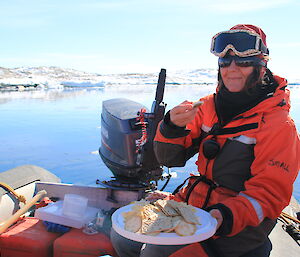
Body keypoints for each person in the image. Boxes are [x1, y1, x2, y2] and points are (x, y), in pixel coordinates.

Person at [110, 24, 300, 257]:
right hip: (198, 206)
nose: (232, 69)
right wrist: (171, 127)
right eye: (224, 62)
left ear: (262, 67)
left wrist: (225, 215)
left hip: (238, 226)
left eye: (243, 62)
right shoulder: (207, 106)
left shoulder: (279, 126)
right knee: (121, 237)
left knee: (155, 253)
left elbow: (269, 194)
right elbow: (170, 159)